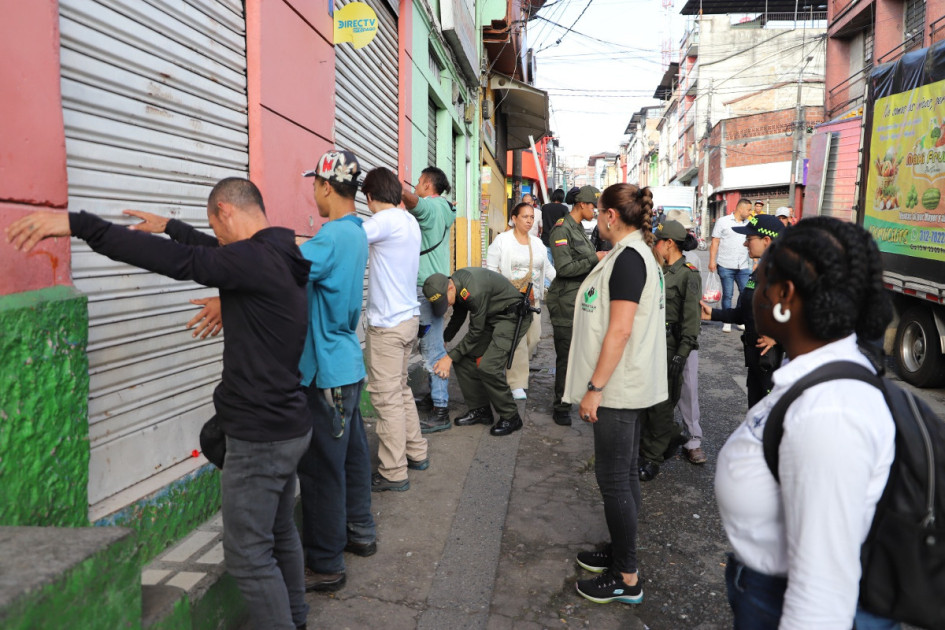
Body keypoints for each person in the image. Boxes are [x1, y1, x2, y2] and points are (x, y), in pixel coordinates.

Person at [7, 179, 313, 630]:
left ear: (226, 210)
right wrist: (173, 225)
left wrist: (81, 224)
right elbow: (214, 252)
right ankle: (298, 618)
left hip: (260, 436)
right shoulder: (280, 254)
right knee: (280, 530)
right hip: (289, 425)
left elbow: (187, 263)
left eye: (216, 225)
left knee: (248, 555)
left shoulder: (252, 259)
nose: (217, 236)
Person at [715, 216, 898, 629]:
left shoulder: (829, 414)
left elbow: (821, 597)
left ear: (784, 295)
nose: (755, 293)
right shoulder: (815, 376)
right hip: (763, 594)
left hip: (782, 604)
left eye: (761, 282)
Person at [565, 183, 667, 605]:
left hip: (617, 391)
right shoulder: (632, 256)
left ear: (609, 215)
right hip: (624, 387)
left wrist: (595, 389)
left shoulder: (629, 260)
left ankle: (626, 577)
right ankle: (620, 551)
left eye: (599, 213)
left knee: (614, 479)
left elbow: (621, 329)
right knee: (623, 475)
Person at [297, 150, 375, 592]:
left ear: (326, 186)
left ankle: (325, 564)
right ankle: (359, 531)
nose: (313, 191)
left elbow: (283, 269)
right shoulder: (355, 231)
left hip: (327, 371)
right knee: (352, 452)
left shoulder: (330, 237)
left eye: (314, 184)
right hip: (347, 360)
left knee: (322, 466)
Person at [360, 167, 428, 492]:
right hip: (408, 319)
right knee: (401, 391)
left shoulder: (383, 220)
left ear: (371, 197)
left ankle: (393, 471)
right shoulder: (409, 221)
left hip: (387, 325)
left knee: (386, 399)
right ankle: (416, 452)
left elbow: (349, 239)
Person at [422, 268, 530, 437]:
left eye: (445, 301)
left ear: (450, 287)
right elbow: (458, 315)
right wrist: (445, 338)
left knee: (489, 366)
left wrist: (449, 357)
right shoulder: (456, 284)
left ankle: (511, 416)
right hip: (491, 316)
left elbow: (475, 333)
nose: (446, 305)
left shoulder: (473, 291)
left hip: (511, 317)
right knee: (463, 360)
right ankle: (480, 410)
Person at [637, 220, 702, 482]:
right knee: (645, 399)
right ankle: (669, 437)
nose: (656, 246)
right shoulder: (658, 270)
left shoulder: (688, 274)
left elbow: (691, 318)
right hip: (652, 342)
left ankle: (652, 458)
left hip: (672, 345)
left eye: (659, 242)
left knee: (662, 404)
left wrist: (683, 352)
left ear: (670, 244)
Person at [702, 214, 784, 408]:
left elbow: (808, 318)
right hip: (756, 361)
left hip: (776, 365)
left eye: (749, 239)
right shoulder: (760, 271)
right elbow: (745, 313)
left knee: (770, 426)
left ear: (766, 240)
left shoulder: (787, 273)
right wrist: (713, 314)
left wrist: (779, 336)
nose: (745, 244)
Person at [546, 186, 606, 425]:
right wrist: (595, 258)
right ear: (582, 204)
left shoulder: (580, 229)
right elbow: (564, 269)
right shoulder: (562, 230)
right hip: (565, 304)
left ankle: (577, 397)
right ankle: (560, 407)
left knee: (581, 353)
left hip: (581, 301)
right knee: (567, 356)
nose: (595, 211)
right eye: (593, 206)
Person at [402, 167, 456, 433]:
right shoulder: (445, 207)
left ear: (426, 184)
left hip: (425, 290)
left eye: (418, 183)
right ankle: (434, 399)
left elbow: (415, 204)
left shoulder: (432, 207)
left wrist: (394, 190)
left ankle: (441, 408)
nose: (415, 188)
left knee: (433, 347)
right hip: (433, 288)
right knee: (429, 339)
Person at [486, 202, 555, 400]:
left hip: (532, 301)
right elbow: (491, 269)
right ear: (514, 218)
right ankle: (516, 382)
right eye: (525, 216)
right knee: (518, 341)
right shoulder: (502, 241)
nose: (529, 221)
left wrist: (562, 281)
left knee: (534, 338)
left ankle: (510, 367)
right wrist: (501, 293)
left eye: (532, 217)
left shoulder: (537, 243)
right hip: (510, 300)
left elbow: (548, 269)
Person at [664, 209, 707, 465]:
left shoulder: (691, 264)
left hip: (683, 337)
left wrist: (687, 342)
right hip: (658, 337)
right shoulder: (656, 258)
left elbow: (692, 309)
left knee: (688, 388)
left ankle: (693, 439)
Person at [709, 198, 752, 331]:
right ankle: (726, 319)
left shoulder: (750, 222)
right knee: (728, 294)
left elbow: (757, 236)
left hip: (744, 266)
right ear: (741, 209)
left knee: (745, 292)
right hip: (725, 264)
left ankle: (739, 317)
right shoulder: (723, 221)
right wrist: (712, 261)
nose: (750, 212)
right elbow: (715, 242)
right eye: (749, 210)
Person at [540, 188, 569, 261]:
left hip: (546, 239)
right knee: (558, 264)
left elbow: (542, 221)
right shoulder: (564, 209)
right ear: (562, 197)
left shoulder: (545, 207)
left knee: (548, 264)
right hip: (559, 240)